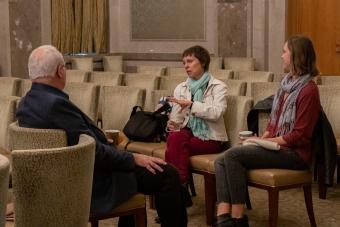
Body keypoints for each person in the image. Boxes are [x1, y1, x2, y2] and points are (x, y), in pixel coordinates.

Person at [16, 45, 187, 227]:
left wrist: (100, 139)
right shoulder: (55, 104)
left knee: (136, 170)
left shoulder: (26, 103)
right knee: (167, 173)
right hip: (85, 181)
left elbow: (74, 140)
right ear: (60, 71)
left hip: (52, 180)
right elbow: (93, 152)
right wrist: (133, 157)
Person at [214, 35, 321, 227]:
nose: (281, 56)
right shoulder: (286, 84)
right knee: (222, 158)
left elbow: (300, 136)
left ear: (297, 56)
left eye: (284, 52)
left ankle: (237, 219)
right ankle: (223, 216)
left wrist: (264, 143)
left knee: (233, 156)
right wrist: (261, 138)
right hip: (279, 146)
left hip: (295, 154)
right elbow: (274, 123)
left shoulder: (308, 90)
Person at [165, 45, 228, 206]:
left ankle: (176, 194)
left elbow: (216, 113)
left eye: (190, 61)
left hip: (210, 138)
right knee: (175, 137)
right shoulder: (181, 87)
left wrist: (192, 105)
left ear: (203, 62)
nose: (186, 66)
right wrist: (171, 123)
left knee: (175, 144)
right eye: (184, 62)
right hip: (187, 134)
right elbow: (178, 117)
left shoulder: (218, 86)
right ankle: (180, 191)